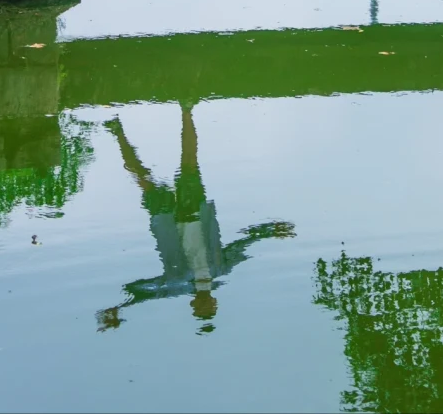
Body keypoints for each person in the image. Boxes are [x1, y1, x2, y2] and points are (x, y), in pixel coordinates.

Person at [97, 107, 295, 332]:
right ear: (214, 303)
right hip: (195, 212)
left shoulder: (177, 284)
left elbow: (150, 292)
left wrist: (120, 307)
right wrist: (270, 230)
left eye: (199, 308)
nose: (203, 303)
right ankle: (186, 109)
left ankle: (117, 131)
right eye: (208, 307)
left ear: (192, 305)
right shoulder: (221, 269)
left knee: (141, 177)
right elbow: (244, 244)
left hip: (166, 218)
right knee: (190, 161)